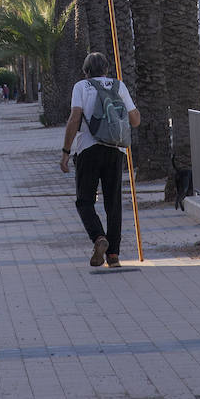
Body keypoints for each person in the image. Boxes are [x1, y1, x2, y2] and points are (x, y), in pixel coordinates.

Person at [59, 52, 140, 268]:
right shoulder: (118, 86)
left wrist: (66, 152)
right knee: (113, 204)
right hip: (115, 150)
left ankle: (98, 238)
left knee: (84, 200)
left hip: (88, 149)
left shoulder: (81, 87)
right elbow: (135, 119)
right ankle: (113, 255)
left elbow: (75, 118)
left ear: (86, 71)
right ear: (106, 69)